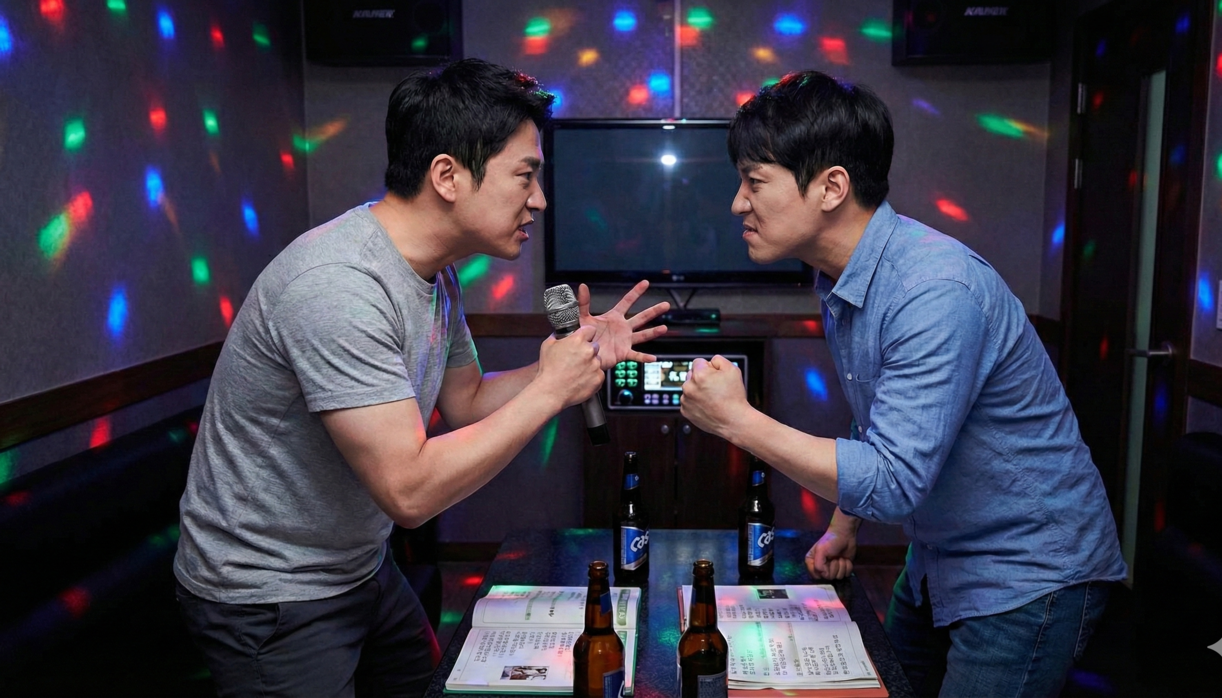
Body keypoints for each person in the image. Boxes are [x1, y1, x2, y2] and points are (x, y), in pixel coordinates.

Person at [173, 58, 669, 697]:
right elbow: (408, 491)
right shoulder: (338, 287)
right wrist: (552, 390)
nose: (540, 200)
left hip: (358, 563)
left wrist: (573, 361)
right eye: (525, 176)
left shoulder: (434, 273)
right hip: (270, 590)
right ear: (447, 176)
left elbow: (467, 402)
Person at [678, 71, 1125, 697]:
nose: (737, 203)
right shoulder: (843, 276)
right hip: (938, 557)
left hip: (1027, 571)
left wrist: (737, 420)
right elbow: (886, 416)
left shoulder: (932, 290)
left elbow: (893, 481)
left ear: (832, 187)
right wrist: (845, 525)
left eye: (754, 182)